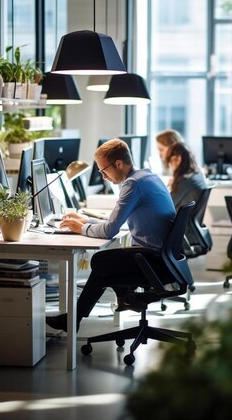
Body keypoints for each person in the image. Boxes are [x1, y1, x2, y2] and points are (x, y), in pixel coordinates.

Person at [46, 139, 176, 332]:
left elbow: (109, 230)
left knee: (100, 261)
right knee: (104, 268)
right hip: (163, 258)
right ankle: (87, 313)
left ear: (119, 164)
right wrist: (84, 222)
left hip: (152, 260)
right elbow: (113, 223)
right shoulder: (146, 177)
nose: (103, 177)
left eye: (103, 170)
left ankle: (80, 316)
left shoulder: (133, 185)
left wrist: (80, 229)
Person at [165, 142, 208, 248]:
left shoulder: (184, 181)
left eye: (170, 162)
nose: (170, 166)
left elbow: (167, 206)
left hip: (183, 234)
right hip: (192, 230)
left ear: (178, 159)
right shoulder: (198, 175)